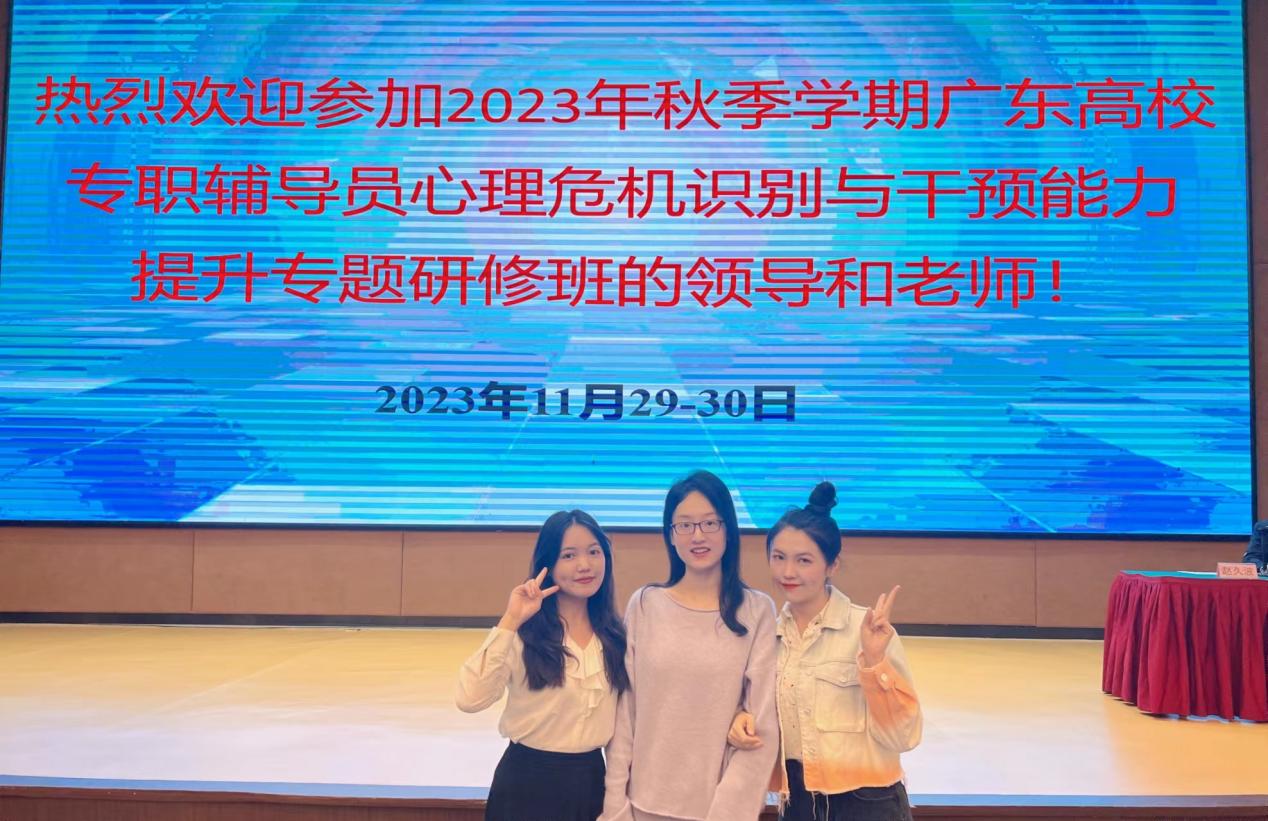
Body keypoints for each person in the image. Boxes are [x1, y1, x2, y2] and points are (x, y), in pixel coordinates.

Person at [728, 482, 921, 821]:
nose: (788, 572)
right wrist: (739, 720)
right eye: (778, 557)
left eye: (804, 560)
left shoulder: (867, 631)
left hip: (868, 804)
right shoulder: (765, 638)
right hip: (797, 803)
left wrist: (875, 663)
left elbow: (904, 735)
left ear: (832, 565)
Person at [600, 469, 779, 821]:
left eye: (710, 523)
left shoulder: (757, 611)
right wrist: (615, 805)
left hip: (718, 811)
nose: (698, 535)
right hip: (642, 807)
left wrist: (728, 814)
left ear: (728, 529)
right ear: (670, 534)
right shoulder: (645, 604)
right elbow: (625, 715)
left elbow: (762, 728)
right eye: (684, 525)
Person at [456, 509, 629, 821]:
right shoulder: (525, 633)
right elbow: (470, 698)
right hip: (526, 786)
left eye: (594, 552)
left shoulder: (617, 637)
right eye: (569, 555)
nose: (585, 565)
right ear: (547, 565)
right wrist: (511, 620)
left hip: (591, 783)